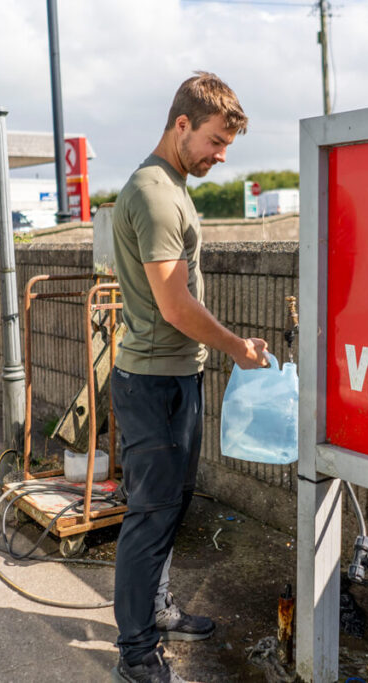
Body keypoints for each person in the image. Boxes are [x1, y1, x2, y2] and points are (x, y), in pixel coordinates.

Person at [109, 71, 269, 683]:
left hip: (175, 376)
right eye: (215, 141)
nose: (221, 156)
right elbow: (174, 305)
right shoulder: (153, 192)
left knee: (170, 508)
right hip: (154, 384)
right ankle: (136, 654)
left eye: (227, 146)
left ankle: (156, 607)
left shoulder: (174, 184)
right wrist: (233, 346)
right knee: (149, 518)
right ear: (182, 123)